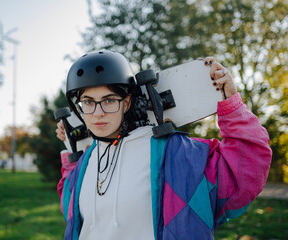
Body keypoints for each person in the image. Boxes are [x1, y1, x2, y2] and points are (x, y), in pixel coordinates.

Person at [55, 50, 271, 240]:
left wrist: (232, 105)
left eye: (109, 100)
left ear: (127, 101)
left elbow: (245, 171)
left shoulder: (175, 153)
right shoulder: (84, 164)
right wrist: (70, 150)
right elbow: (70, 208)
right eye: (89, 102)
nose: (98, 113)